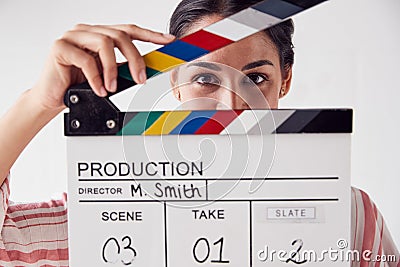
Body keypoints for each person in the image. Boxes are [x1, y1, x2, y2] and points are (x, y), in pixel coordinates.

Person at [0, 0, 398, 266]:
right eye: (206, 78)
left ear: (286, 80)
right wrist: (37, 102)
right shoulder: (100, 209)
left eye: (256, 78)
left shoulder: (352, 217)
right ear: (173, 84)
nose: (230, 107)